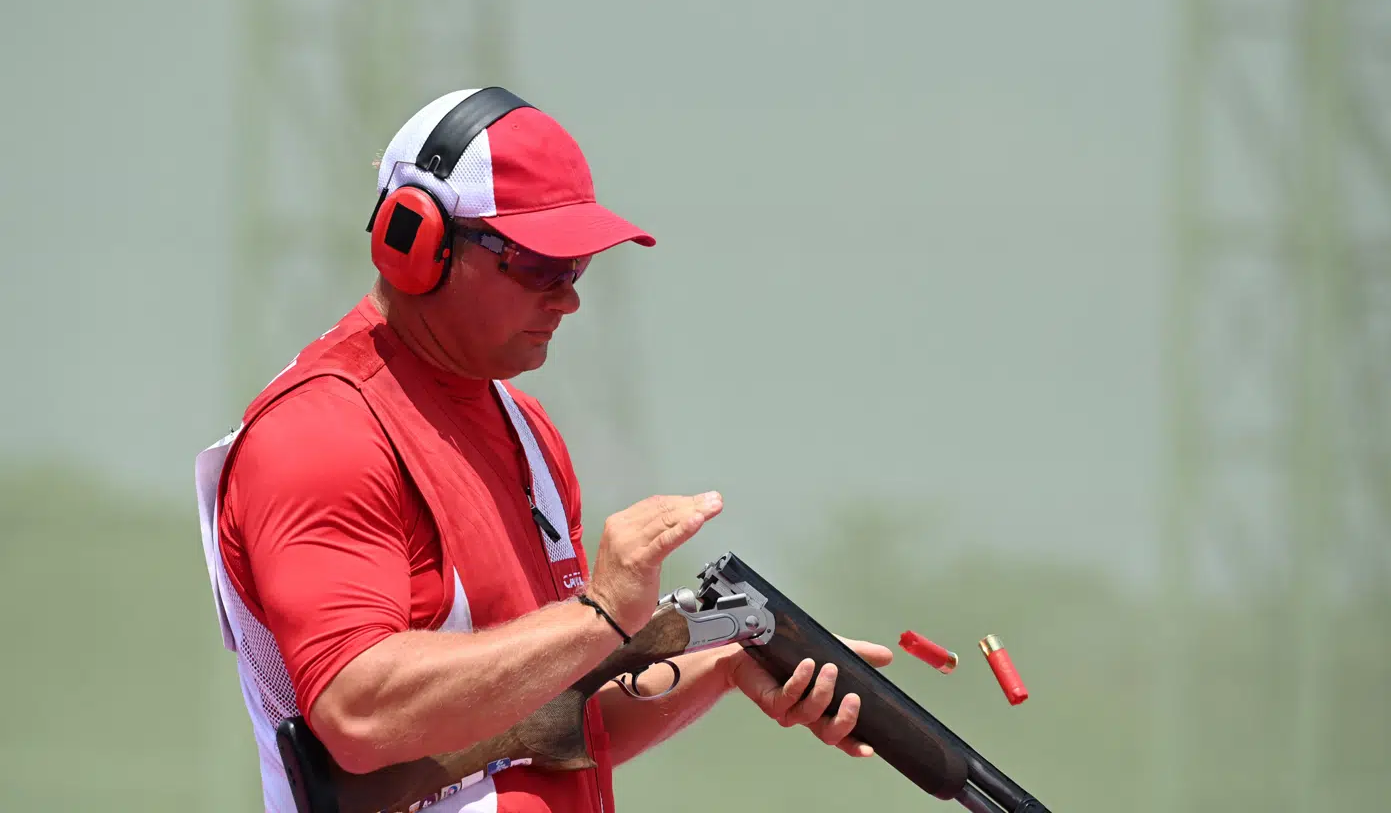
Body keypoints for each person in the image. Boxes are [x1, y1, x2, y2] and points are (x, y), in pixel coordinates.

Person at [194, 87, 892, 813]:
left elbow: (557, 724)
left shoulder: (527, 429)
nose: (569, 298)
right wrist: (601, 614)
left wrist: (725, 664)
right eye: (538, 266)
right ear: (415, 242)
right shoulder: (321, 433)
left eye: (578, 267)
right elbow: (359, 716)